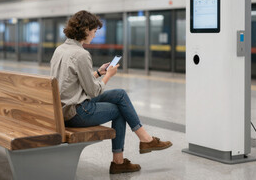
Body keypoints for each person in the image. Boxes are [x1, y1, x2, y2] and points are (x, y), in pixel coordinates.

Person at [49, 10, 172, 174]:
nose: (94, 35)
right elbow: (93, 91)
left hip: (62, 109)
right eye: (93, 31)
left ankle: (145, 139)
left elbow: (71, 83)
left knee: (120, 94)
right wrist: (108, 76)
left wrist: (98, 73)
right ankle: (120, 160)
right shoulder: (81, 54)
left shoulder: (60, 50)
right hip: (76, 113)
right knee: (120, 110)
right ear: (85, 29)